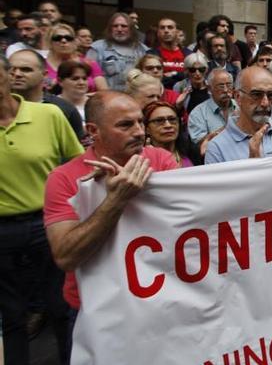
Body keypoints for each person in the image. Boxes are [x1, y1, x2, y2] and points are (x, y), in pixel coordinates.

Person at [43, 92, 179, 350]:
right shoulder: (63, 179)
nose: (140, 132)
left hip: (160, 298)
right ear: (93, 130)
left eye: (140, 122)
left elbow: (187, 220)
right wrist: (114, 200)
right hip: (97, 310)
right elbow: (66, 256)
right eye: (126, 125)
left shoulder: (160, 159)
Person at [0, 53, 84, 365]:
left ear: (7, 77)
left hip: (49, 224)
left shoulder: (48, 115)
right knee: (11, 317)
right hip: (3, 232)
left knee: (59, 308)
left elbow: (78, 165)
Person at [205, 67, 272, 163]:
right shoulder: (216, 148)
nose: (265, 103)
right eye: (256, 95)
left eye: (271, 95)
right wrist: (253, 165)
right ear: (238, 97)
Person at [9, 49, 86, 142]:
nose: (17, 74)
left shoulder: (63, 109)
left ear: (44, 75)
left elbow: (77, 151)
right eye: (12, 70)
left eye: (26, 70)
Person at [87, 12, 149, 91]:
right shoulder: (97, 48)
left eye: (124, 26)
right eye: (115, 26)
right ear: (110, 29)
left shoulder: (142, 50)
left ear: (131, 29)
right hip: (106, 98)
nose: (119, 29)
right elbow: (87, 75)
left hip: (135, 98)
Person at [44, 23, 108, 92]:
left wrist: (82, 97)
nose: (63, 41)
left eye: (68, 38)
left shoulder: (90, 63)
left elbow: (104, 93)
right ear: (50, 42)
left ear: (74, 41)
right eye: (58, 38)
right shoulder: (41, 65)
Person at [143, 101, 200, 167]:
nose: (168, 125)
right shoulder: (142, 158)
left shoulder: (191, 152)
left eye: (172, 119)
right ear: (147, 129)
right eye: (159, 121)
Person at [187, 69, 236, 146]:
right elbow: (200, 144)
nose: (226, 90)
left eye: (229, 85)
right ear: (210, 89)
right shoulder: (198, 113)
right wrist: (231, 126)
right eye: (221, 86)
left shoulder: (241, 106)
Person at [147, 17, 191, 89]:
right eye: (162, 28)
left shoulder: (188, 54)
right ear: (158, 33)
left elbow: (192, 75)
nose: (166, 30)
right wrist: (181, 76)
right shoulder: (151, 55)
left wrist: (174, 74)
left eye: (170, 27)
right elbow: (152, 78)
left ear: (177, 32)